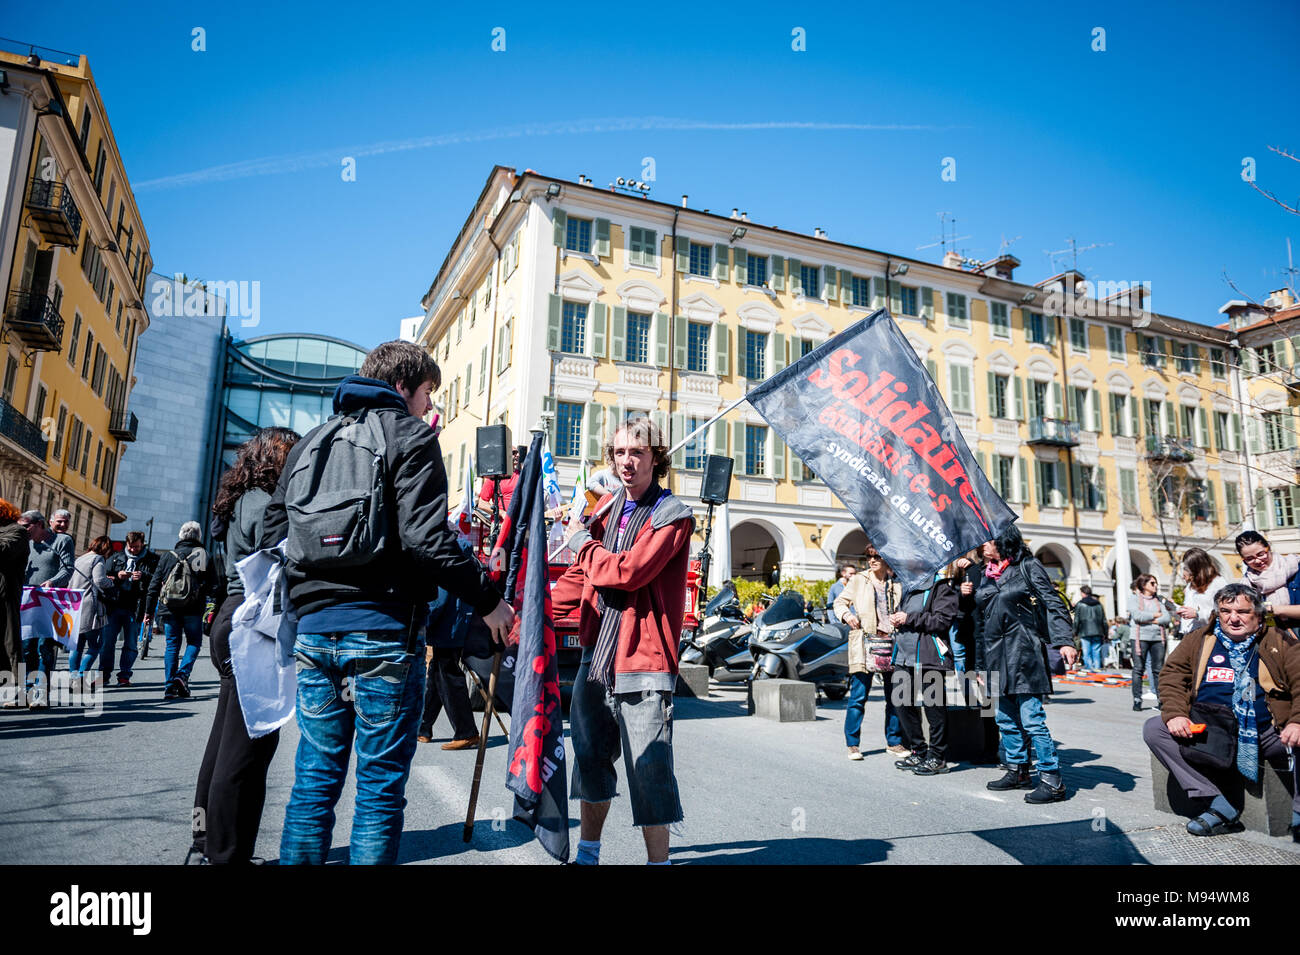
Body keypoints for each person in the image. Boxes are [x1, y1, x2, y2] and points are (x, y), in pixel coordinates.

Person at [263, 341, 513, 866]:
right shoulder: (410, 434)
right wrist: (488, 599)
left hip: (313, 632)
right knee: (377, 790)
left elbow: (272, 532)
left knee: (312, 783)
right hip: (384, 631)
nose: (429, 406)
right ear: (403, 386)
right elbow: (428, 539)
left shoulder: (311, 440)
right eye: (427, 393)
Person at [553, 413, 694, 866]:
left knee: (649, 770)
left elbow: (627, 572)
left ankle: (659, 863)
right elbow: (580, 580)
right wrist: (528, 620)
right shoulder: (605, 512)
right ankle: (588, 854)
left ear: (657, 458)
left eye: (637, 452)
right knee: (591, 759)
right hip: (598, 657)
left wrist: (581, 543)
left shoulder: (673, 515)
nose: (626, 462)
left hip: (644, 660)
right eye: (619, 453)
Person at [186, 426, 300, 865]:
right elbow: (278, 556)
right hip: (251, 620)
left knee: (223, 743)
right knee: (246, 749)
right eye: (289, 455)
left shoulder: (239, 499)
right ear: (274, 457)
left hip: (232, 617)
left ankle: (206, 845)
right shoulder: (262, 501)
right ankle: (226, 856)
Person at [1144, 584, 1300, 841]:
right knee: (1154, 728)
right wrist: (1176, 714)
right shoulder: (1200, 639)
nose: (1233, 618)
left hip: (1267, 732)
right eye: (1226, 611)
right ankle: (1217, 802)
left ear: (1258, 615)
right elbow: (1172, 674)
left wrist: (1296, 721)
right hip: (1210, 729)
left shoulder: (1279, 639)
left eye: (1242, 611)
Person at [973, 524, 1078, 802]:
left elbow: (1053, 603)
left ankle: (1052, 779)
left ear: (1005, 542)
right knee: (1005, 718)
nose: (984, 545)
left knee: (1032, 718)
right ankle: (1017, 770)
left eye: (990, 540)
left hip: (1025, 652)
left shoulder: (1027, 566)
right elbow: (981, 625)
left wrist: (1065, 640)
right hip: (995, 655)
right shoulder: (987, 575)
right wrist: (981, 666)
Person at [833, 547, 909, 759]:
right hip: (866, 643)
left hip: (891, 643)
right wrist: (847, 615)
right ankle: (853, 744)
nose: (872, 560)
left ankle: (894, 742)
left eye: (877, 556)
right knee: (858, 696)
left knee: (894, 697)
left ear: (886, 560)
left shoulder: (897, 583)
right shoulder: (859, 580)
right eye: (869, 556)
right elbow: (839, 602)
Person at [889, 562, 961, 775]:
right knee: (901, 702)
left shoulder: (941, 588)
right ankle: (918, 750)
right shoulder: (908, 588)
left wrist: (908, 618)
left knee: (934, 708)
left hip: (930, 657)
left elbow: (942, 621)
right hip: (903, 655)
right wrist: (897, 618)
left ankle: (937, 756)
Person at [145, 521, 219, 699]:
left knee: (172, 645)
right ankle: (182, 675)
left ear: (180, 535)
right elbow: (214, 587)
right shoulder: (204, 556)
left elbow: (154, 585)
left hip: (169, 608)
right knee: (194, 643)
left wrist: (148, 611)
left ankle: (169, 686)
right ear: (199, 536)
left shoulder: (168, 556)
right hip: (193, 608)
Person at [416, 568, 479, 750]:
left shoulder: (445, 556)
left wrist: (422, 622)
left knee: (449, 676)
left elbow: (438, 602)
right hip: (454, 624)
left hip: (448, 627)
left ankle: (467, 732)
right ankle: (423, 728)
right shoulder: (463, 556)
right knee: (437, 673)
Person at [17, 510, 74, 707]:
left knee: (44, 647)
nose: (23, 530)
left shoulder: (62, 541)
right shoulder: (24, 541)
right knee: (26, 647)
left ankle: (41, 693)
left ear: (40, 524)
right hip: (26, 600)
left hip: (49, 601)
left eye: (26, 526)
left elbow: (68, 568)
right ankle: (26, 689)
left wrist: (53, 581)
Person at [100, 531, 158, 687]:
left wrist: (144, 576)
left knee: (131, 644)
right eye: (131, 547)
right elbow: (104, 575)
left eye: (137, 547)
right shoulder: (116, 557)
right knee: (107, 643)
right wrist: (117, 575)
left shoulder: (152, 559)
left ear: (143, 544)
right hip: (114, 604)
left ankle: (124, 676)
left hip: (135, 607)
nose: (133, 550)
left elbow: (158, 580)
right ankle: (104, 675)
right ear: (126, 544)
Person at [67, 536, 114, 691]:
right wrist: (111, 582)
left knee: (77, 646)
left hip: (75, 604)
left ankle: (73, 678)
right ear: (105, 548)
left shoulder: (80, 559)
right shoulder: (97, 559)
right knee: (94, 645)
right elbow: (100, 580)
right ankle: (80, 676)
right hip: (90, 606)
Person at [0, 500, 29, 709]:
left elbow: (4, 551)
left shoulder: (17, 532)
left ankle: (15, 690)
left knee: (10, 644)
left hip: (5, 596)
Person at [1236, 531, 1300, 623]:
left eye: (1261, 554)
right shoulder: (1246, 585)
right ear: (1244, 560)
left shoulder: (1295, 568)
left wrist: (1274, 610)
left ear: (1268, 548)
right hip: (1274, 635)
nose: (1257, 561)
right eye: (1250, 558)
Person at [1129, 573, 1171, 712]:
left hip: (1158, 638)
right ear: (1143, 585)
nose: (1155, 586)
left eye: (1156, 583)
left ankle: (1161, 699)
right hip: (1139, 637)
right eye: (1152, 583)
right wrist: (1155, 615)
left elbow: (1167, 618)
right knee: (1138, 668)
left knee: (1158, 670)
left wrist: (1150, 619)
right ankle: (1137, 699)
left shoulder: (1158, 600)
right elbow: (1137, 616)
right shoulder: (1134, 599)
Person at [1174, 547, 1228, 637]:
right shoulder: (1191, 585)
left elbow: (1224, 611)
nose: (1185, 572)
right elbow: (1189, 613)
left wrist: (1198, 614)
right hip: (1190, 635)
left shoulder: (1218, 583)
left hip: (1210, 634)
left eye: (1187, 568)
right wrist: (1175, 609)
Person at [1073, 585, 1108, 671]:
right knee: (1096, 651)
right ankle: (1097, 668)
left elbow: (1077, 620)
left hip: (1084, 631)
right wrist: (1105, 633)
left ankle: (1089, 669)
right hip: (1098, 631)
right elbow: (1103, 620)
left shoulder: (1080, 604)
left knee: (1086, 651)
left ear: (1083, 593)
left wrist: (1075, 632)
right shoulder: (1098, 604)